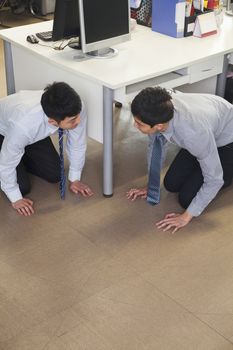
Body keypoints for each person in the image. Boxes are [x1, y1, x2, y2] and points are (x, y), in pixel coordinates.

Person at [126, 87, 233, 233]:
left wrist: (185, 217)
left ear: (158, 125)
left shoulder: (193, 134)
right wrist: (151, 185)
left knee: (187, 199)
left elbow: (215, 179)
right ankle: (203, 158)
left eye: (139, 124)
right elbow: (156, 147)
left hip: (227, 138)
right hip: (207, 128)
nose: (135, 125)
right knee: (171, 184)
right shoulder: (158, 110)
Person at [0, 82, 93, 216]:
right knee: (21, 187)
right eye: (72, 121)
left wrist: (75, 178)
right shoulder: (23, 126)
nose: (78, 122)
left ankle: (20, 152)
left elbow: (77, 143)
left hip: (30, 135)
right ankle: (17, 153)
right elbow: (6, 164)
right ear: (52, 122)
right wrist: (16, 198)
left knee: (56, 174)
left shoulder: (76, 109)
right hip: (4, 132)